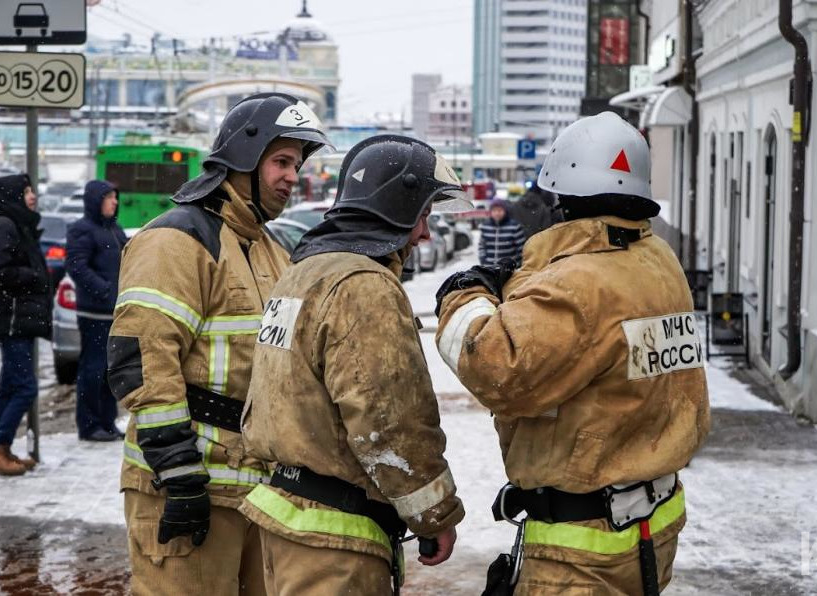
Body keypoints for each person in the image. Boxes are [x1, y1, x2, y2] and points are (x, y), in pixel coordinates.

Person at [434, 112, 710, 595]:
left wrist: (465, 294)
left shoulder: (580, 282)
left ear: (562, 197)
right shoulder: (658, 261)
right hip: (650, 526)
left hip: (581, 551)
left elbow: (493, 369)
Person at [106, 93, 331, 595]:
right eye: (280, 161)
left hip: (254, 492)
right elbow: (141, 361)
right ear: (243, 160)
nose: (292, 176)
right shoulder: (176, 241)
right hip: (184, 489)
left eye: (296, 163)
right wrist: (178, 471)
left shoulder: (272, 249)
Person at [239, 135, 470, 595]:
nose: (425, 233)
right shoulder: (363, 285)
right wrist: (434, 516)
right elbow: (391, 422)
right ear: (396, 208)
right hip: (336, 539)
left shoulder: (302, 272)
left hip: (287, 518)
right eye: (423, 214)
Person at [0, 173, 53, 476]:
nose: (33, 195)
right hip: (12, 319)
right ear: (13, 196)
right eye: (26, 191)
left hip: (19, 319)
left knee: (10, 386)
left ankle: (1, 449)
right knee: (25, 387)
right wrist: (33, 277)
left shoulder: (17, 225)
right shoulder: (6, 226)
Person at [65, 179, 127, 441]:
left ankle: (107, 422)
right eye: (109, 197)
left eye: (115, 197)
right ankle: (89, 425)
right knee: (92, 370)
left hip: (114, 312)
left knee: (109, 372)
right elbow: (77, 266)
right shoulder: (83, 229)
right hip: (94, 312)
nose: (114, 202)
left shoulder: (115, 229)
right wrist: (104, 290)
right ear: (95, 201)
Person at [479, 199, 526, 267]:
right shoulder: (485, 226)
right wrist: (483, 260)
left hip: (508, 269)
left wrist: (517, 264)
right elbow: (482, 246)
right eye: (494, 210)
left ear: (505, 211)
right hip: (489, 268)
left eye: (500, 210)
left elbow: (521, 249)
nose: (497, 213)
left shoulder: (514, 226)